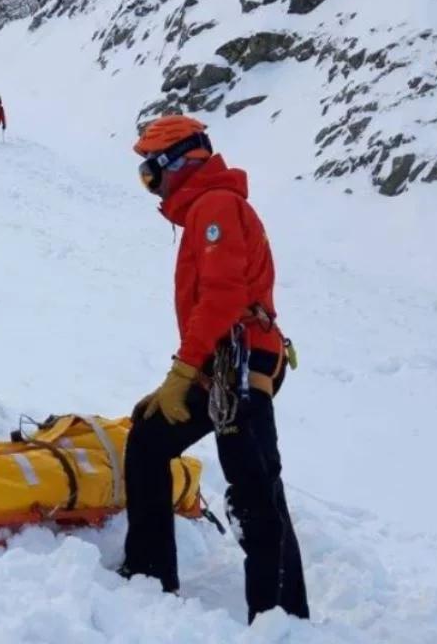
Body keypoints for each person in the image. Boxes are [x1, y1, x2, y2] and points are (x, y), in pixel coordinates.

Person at [121, 115, 309, 623]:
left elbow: (223, 298)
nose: (149, 185)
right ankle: (147, 574)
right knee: (148, 442)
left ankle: (281, 620)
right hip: (222, 366)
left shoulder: (216, 208)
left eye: (149, 172)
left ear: (177, 163)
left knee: (255, 489)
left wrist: (182, 376)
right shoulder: (210, 208)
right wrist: (184, 373)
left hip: (240, 367)